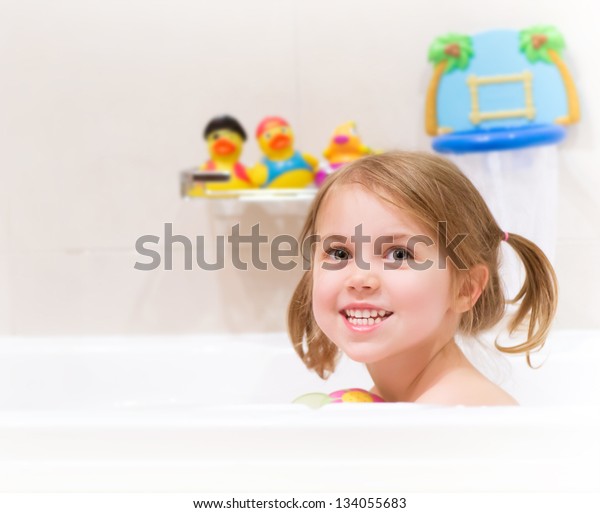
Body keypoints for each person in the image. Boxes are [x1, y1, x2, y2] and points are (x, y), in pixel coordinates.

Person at [288, 151, 558, 406]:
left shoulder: (449, 410)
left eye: (399, 254)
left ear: (466, 288)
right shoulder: (405, 401)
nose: (359, 278)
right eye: (338, 252)